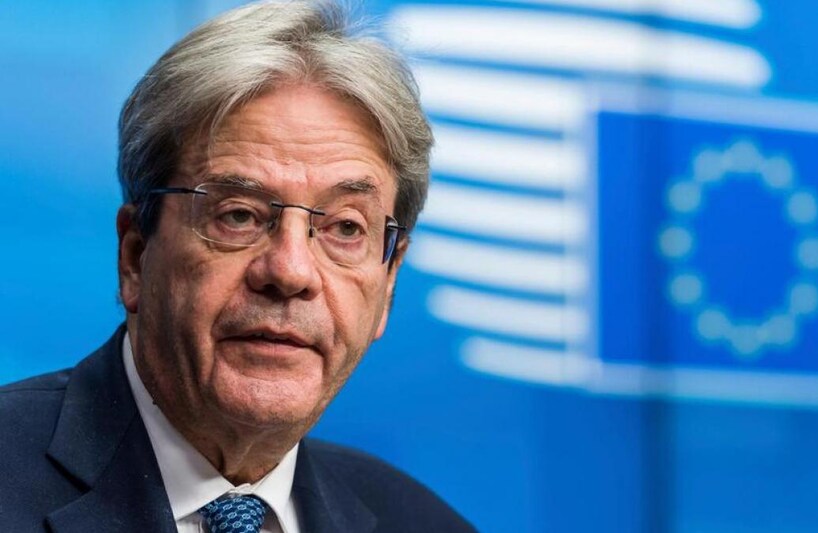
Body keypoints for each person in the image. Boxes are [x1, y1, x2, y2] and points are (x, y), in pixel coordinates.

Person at [0, 1, 476, 531]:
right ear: (136, 255)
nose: (291, 272)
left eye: (345, 227)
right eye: (240, 216)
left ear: (388, 284)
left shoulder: (422, 522)